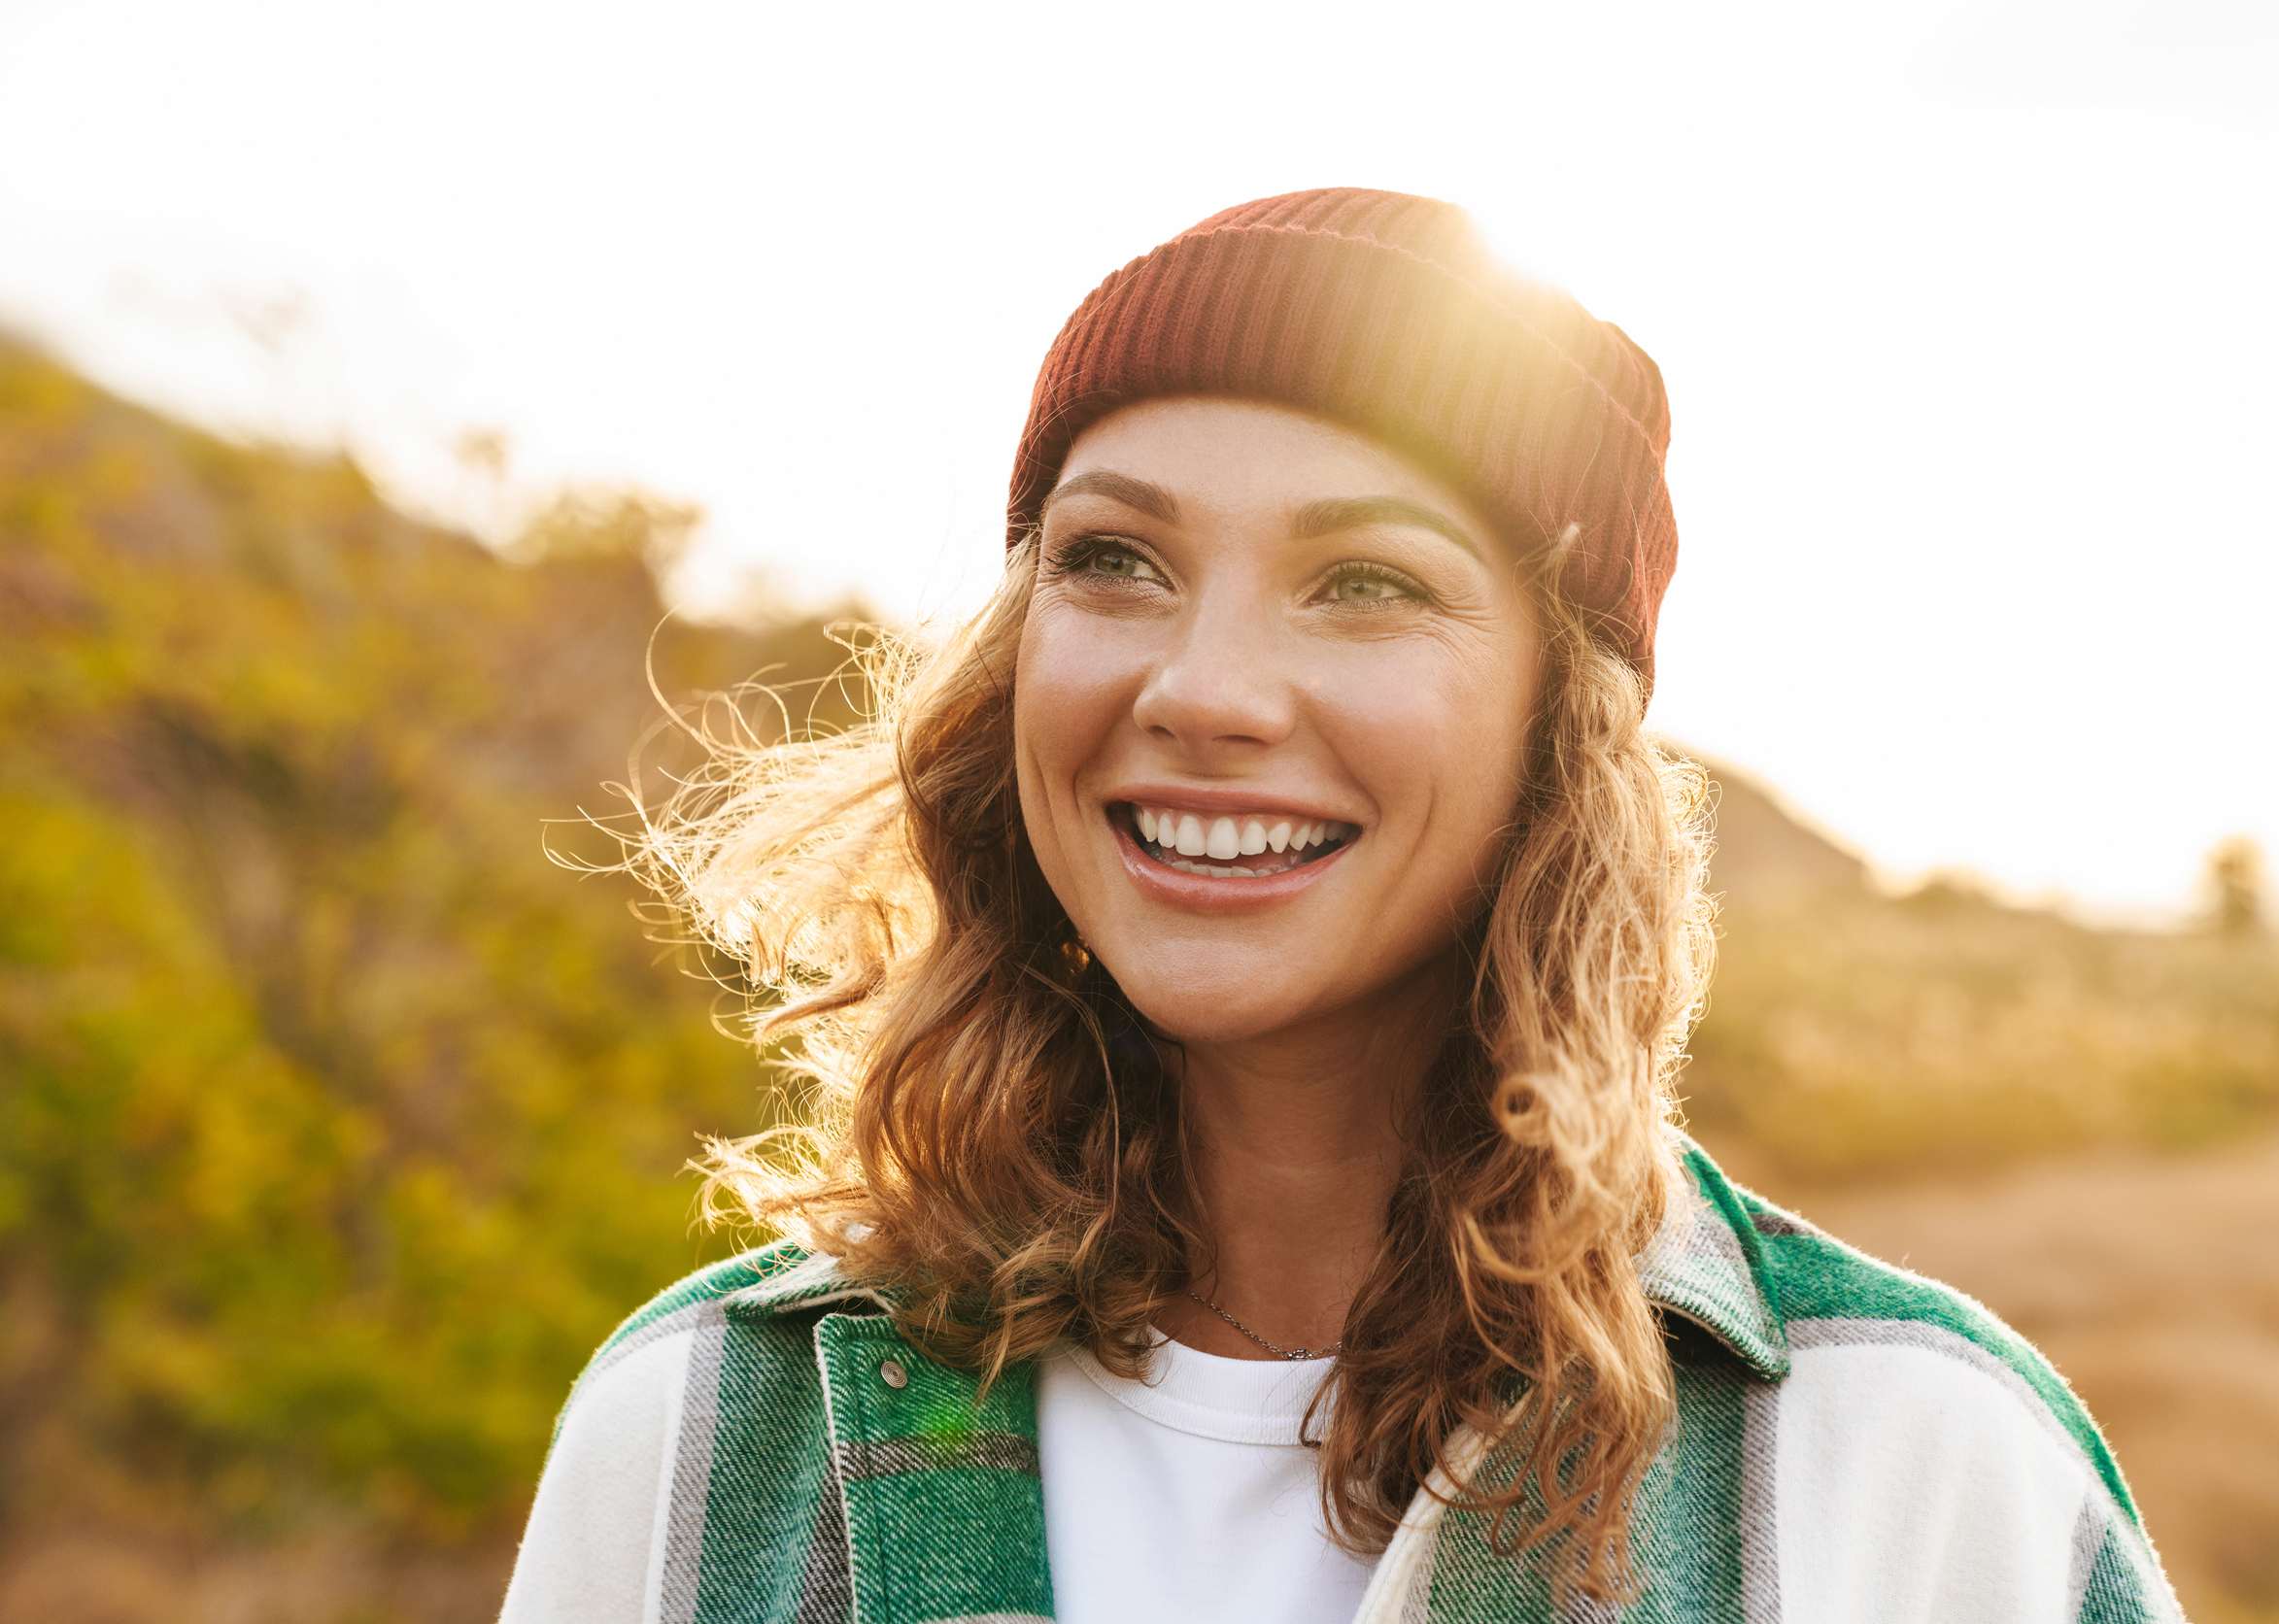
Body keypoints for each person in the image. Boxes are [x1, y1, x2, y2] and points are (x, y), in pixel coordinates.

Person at [497, 186, 2187, 1623]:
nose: (1205, 688)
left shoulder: (1913, 1474)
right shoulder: (702, 1430)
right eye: (1113, 560)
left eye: (1367, 582)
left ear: (1559, 730)